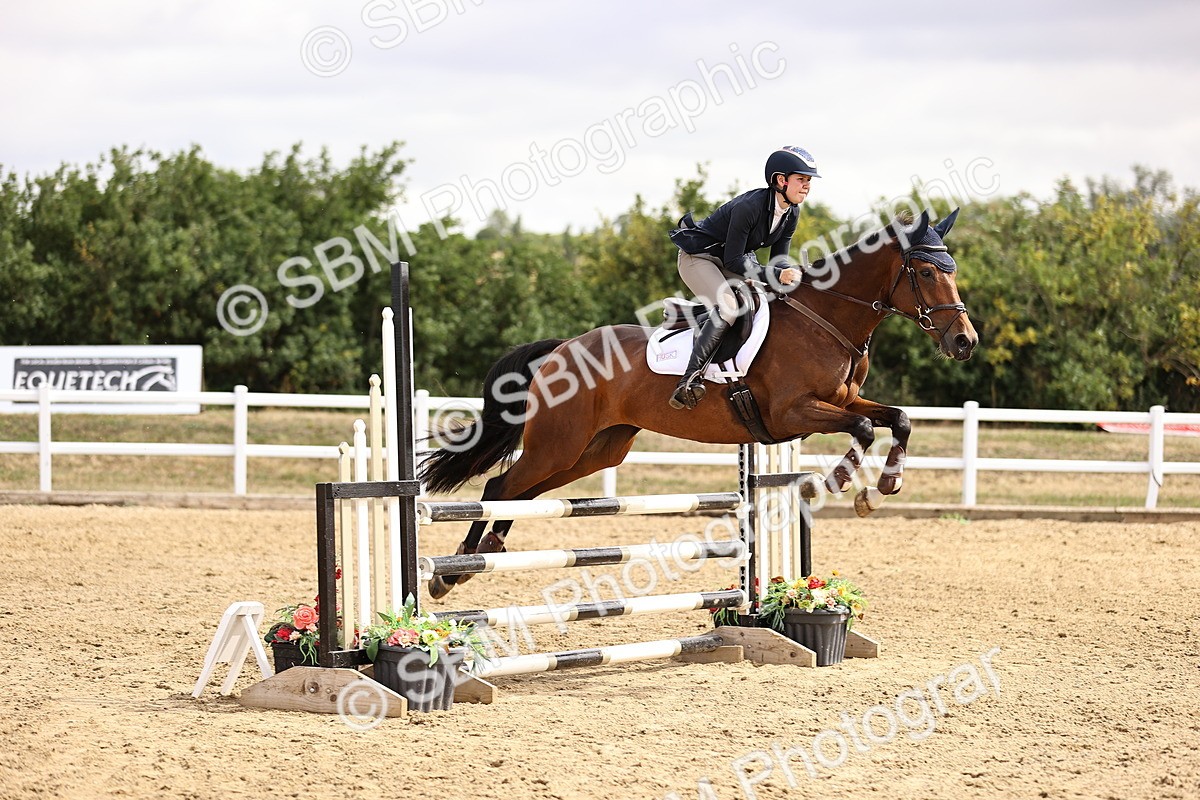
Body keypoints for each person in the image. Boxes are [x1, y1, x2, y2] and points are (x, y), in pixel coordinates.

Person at [666, 145, 819, 409]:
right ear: (781, 180)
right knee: (729, 306)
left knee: (768, 299)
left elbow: (777, 262)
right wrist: (776, 275)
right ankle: (688, 380)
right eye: (801, 180)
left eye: (808, 181)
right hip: (698, 258)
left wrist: (793, 280)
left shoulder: (791, 212)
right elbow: (735, 261)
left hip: (730, 261)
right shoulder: (749, 207)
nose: (806, 186)